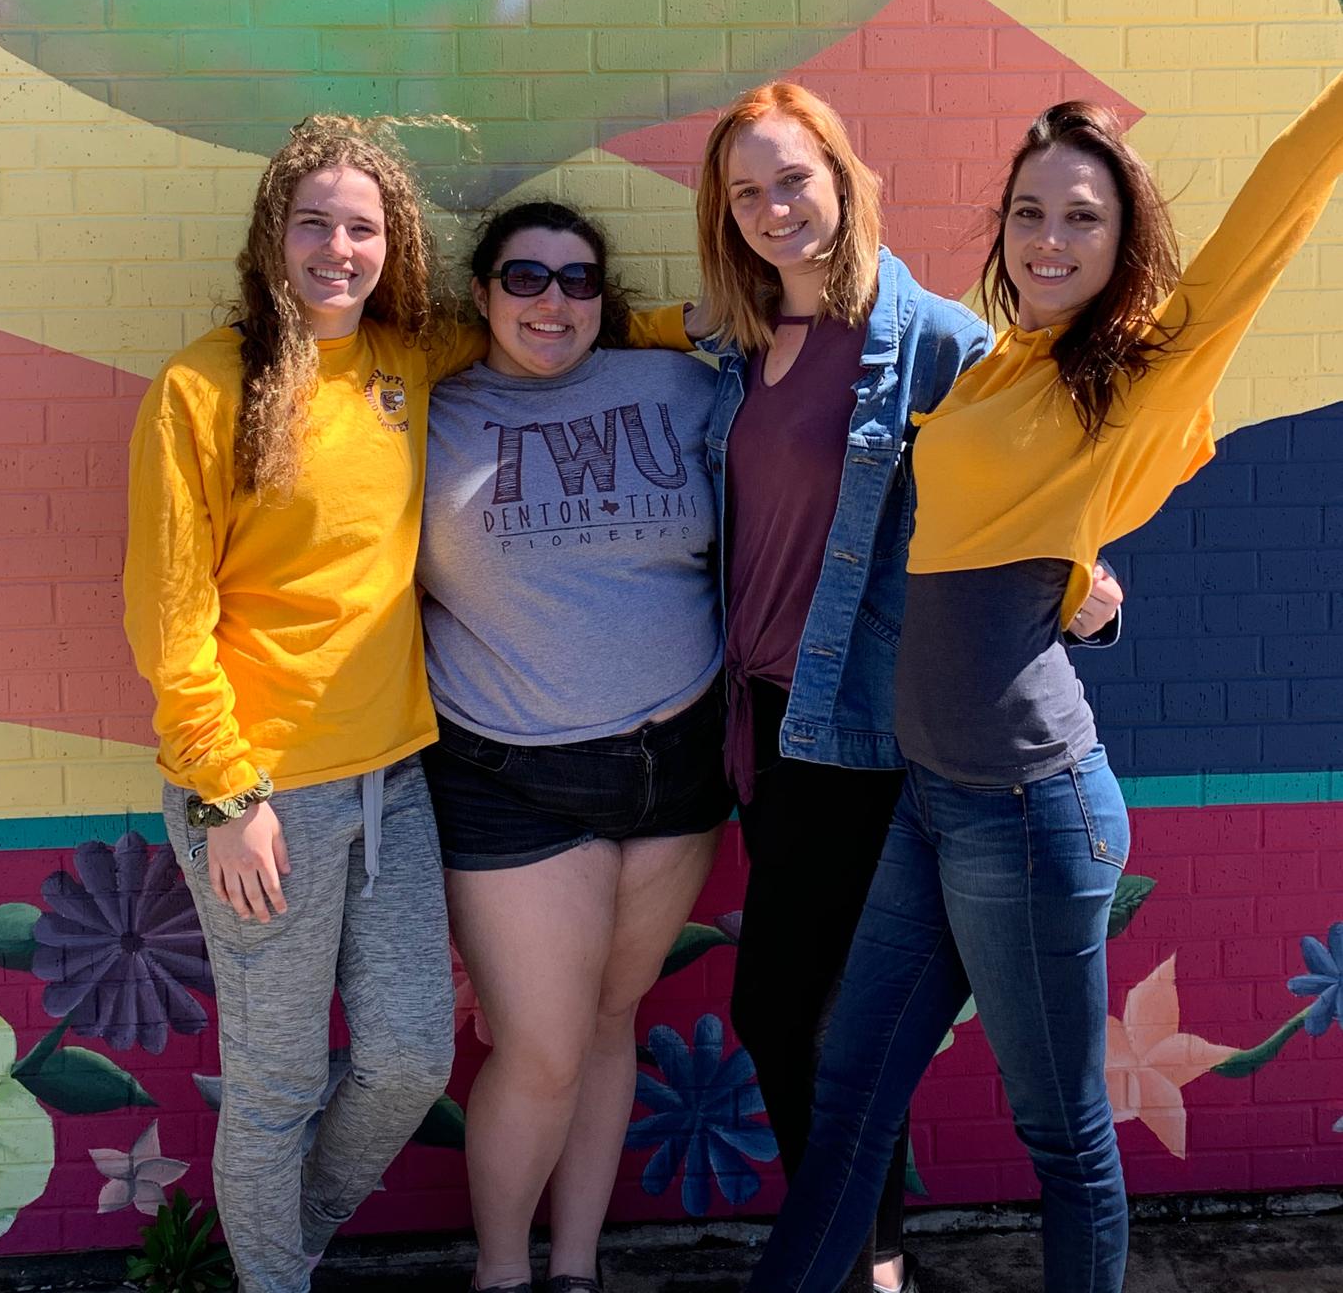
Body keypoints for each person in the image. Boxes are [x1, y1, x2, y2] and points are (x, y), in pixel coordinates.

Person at [746, 69, 1343, 1293]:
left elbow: (1281, 200)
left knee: (1061, 1134)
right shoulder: (1004, 364)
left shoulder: (1141, 366)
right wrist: (1077, 583)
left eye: (1082, 215)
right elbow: (997, 537)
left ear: (1123, 240)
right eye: (1029, 212)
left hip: (1030, 811)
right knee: (848, 1092)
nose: (1051, 237)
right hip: (929, 797)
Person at [122, 123, 693, 1293]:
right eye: (316, 222)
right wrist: (229, 793)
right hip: (260, 794)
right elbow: (170, 626)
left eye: (364, 228)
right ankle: (274, 1278)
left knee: (404, 1064)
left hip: (399, 779)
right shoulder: (200, 389)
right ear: (273, 234)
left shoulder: (406, 359)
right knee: (277, 1083)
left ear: (396, 247)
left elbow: (554, 324)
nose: (340, 248)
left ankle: (295, 1241)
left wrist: (705, 326)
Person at [693, 82, 1123, 1293]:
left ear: (843, 179)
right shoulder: (727, 345)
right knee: (825, 1029)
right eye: (749, 191)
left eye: (796, 180)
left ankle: (872, 1264)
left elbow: (1036, 475)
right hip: (762, 726)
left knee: (791, 1017)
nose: (777, 208)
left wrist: (1083, 582)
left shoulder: (935, 340)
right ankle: (867, 1259)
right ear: (724, 216)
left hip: (869, 730)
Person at [416, 199, 731, 1293]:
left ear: (609, 297)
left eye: (579, 280)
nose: (554, 301)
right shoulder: (425, 416)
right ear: (482, 295)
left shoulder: (681, 390)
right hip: (516, 777)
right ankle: (502, 1275)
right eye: (526, 277)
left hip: (679, 766)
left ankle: (578, 1271)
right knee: (540, 1050)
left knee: (608, 1023)